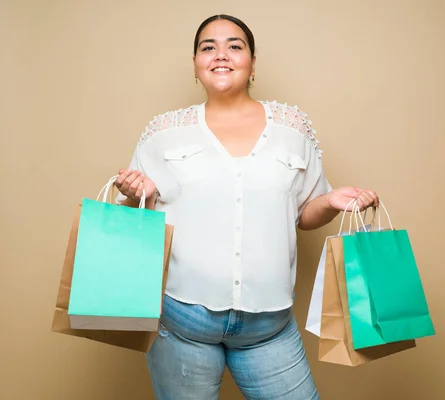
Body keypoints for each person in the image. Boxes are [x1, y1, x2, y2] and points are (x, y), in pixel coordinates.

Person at [114, 14, 379, 400]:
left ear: (253, 62)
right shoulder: (162, 132)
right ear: (195, 64)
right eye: (209, 47)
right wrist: (141, 193)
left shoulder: (293, 127)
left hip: (268, 326)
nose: (221, 55)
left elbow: (304, 216)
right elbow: (140, 218)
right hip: (182, 320)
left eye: (234, 46)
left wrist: (330, 202)